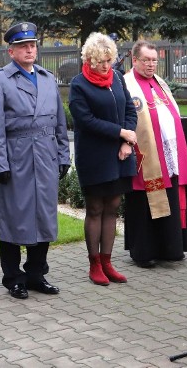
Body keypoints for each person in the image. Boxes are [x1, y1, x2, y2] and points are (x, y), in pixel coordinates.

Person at [0, 22, 70, 299]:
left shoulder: (46, 78)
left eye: (32, 45)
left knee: (44, 217)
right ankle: (13, 278)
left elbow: (59, 122)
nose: (29, 50)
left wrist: (63, 155)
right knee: (13, 219)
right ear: (11, 51)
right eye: (23, 46)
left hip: (45, 156)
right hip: (16, 158)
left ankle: (36, 274)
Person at [68, 32, 137, 286]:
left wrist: (126, 142)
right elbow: (85, 121)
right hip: (94, 156)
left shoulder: (117, 79)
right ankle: (94, 264)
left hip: (120, 154)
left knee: (113, 207)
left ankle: (108, 262)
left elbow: (130, 109)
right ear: (89, 59)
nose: (106, 66)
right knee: (95, 208)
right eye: (100, 61)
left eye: (109, 60)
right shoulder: (78, 84)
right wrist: (120, 133)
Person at [122, 40, 187, 268]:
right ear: (135, 60)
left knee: (170, 197)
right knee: (144, 202)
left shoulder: (160, 83)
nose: (151, 65)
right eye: (146, 60)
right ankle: (144, 252)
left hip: (168, 152)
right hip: (146, 157)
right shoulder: (126, 84)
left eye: (155, 60)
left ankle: (170, 248)